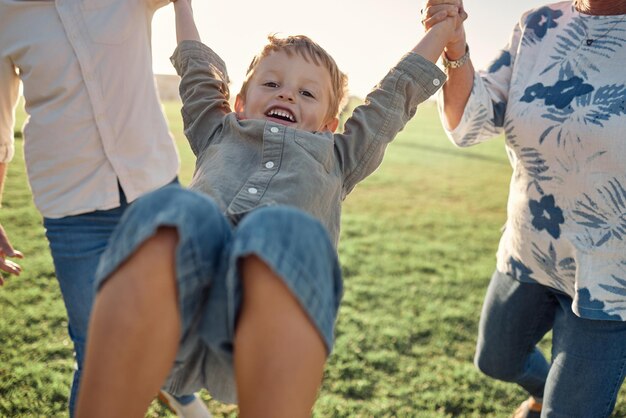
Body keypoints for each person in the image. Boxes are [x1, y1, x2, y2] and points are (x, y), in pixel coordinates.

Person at [74, 1, 465, 416]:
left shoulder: (339, 156)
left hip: (261, 341)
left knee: (285, 230)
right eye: (272, 84)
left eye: (307, 92)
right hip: (174, 322)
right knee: (174, 208)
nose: (287, 94)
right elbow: (197, 75)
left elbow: (392, 97)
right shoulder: (218, 129)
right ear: (240, 102)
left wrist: (443, 29)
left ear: (329, 125)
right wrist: (182, 4)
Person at [0, 0, 211, 416]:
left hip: (154, 188)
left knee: (163, 319)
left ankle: (173, 387)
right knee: (97, 350)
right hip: (71, 207)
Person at [423, 0, 626, 416]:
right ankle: (546, 390)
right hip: (528, 251)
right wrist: (455, 46)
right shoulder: (537, 24)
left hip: (610, 283)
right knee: (496, 360)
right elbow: (471, 120)